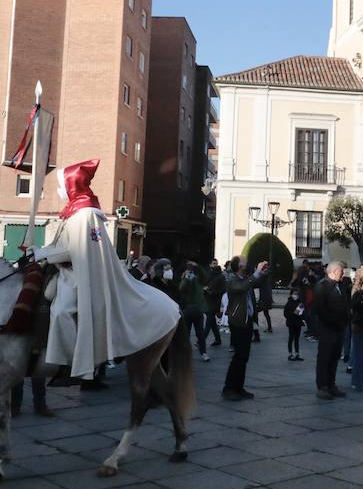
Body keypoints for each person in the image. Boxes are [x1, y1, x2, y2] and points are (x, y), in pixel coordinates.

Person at [34, 159, 180, 384]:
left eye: (62, 185)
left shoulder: (85, 215)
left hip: (78, 277)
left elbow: (76, 250)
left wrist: (43, 254)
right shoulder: (74, 213)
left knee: (61, 310)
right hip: (65, 272)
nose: (59, 190)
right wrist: (40, 250)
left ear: (72, 186)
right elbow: (61, 245)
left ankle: (71, 362)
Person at [313, 262, 349, 399]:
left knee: (334, 357)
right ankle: (322, 386)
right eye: (341, 271)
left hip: (339, 328)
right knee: (324, 358)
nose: (343, 273)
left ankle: (331, 384)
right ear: (333, 271)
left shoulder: (340, 285)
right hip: (328, 328)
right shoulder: (322, 286)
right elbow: (319, 309)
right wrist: (332, 322)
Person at [222, 257, 255, 400]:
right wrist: (257, 274)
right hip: (238, 321)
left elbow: (253, 283)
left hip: (246, 320)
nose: (247, 262)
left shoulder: (245, 278)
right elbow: (241, 287)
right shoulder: (232, 280)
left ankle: (239, 387)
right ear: (239, 266)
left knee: (244, 356)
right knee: (239, 356)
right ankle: (229, 388)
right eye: (244, 261)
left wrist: (262, 272)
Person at [179, 261, 210, 363]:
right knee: (186, 333)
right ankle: (185, 353)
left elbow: (205, 277)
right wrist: (186, 279)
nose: (191, 270)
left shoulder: (198, 279)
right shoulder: (185, 277)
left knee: (200, 333)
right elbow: (181, 289)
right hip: (188, 309)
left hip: (197, 309)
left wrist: (198, 267)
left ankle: (203, 352)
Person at [284, 281, 306, 361]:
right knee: (291, 338)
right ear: (291, 294)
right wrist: (296, 314)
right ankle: (290, 354)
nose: (295, 295)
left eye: (297, 294)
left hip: (298, 323)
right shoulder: (289, 302)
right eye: (294, 294)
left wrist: (296, 314)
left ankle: (297, 353)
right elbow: (287, 314)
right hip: (291, 323)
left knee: (296, 338)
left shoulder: (300, 302)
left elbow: (301, 313)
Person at [204, 260, 225, 346]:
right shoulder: (208, 275)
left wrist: (211, 291)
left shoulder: (220, 276)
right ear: (210, 265)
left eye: (216, 263)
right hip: (207, 300)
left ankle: (201, 340)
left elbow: (222, 290)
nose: (215, 265)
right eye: (213, 264)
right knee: (212, 322)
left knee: (209, 322)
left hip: (215, 301)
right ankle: (218, 340)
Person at [253, 262, 273, 336]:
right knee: (266, 313)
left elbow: (256, 284)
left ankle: (255, 330)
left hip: (264, 298)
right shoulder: (265, 275)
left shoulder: (263, 276)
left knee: (255, 312)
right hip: (266, 297)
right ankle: (269, 327)